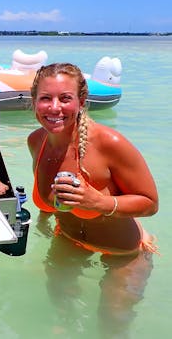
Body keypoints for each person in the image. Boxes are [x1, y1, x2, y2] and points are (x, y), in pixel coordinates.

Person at [27, 62, 158, 336]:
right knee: (61, 319)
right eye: (45, 98)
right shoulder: (35, 141)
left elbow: (150, 202)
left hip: (123, 250)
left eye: (65, 98)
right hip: (68, 239)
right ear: (34, 101)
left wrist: (99, 203)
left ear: (81, 101)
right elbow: (49, 197)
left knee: (112, 323)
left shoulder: (109, 143)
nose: (54, 108)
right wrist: (43, 220)